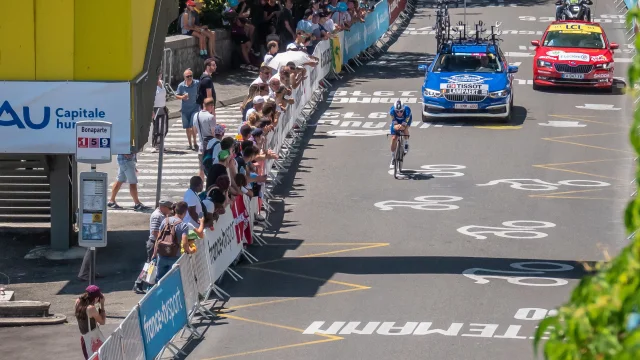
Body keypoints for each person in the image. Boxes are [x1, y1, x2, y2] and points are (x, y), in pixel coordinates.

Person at [152, 201, 203, 282]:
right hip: (175, 255)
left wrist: (154, 254)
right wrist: (190, 250)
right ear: (185, 212)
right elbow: (185, 243)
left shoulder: (165, 221)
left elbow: (158, 239)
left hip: (162, 255)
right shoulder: (183, 225)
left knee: (159, 280)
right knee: (171, 280)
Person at [75, 285, 106, 360]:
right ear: (96, 298)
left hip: (84, 338)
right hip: (93, 339)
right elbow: (102, 321)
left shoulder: (77, 302)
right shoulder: (91, 309)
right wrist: (102, 304)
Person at [176, 69, 200, 150]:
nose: (189, 78)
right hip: (185, 110)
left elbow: (202, 90)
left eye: (191, 76)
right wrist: (182, 97)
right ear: (184, 77)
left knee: (193, 126)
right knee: (187, 128)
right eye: (187, 76)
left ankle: (195, 142)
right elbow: (177, 95)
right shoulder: (181, 86)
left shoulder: (197, 83)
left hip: (195, 108)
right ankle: (190, 144)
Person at [389, 99, 412, 168]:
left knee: (404, 129)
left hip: (405, 119)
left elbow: (404, 124)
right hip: (397, 121)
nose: (399, 113)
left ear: (403, 109)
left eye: (401, 111)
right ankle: (393, 158)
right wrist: (396, 126)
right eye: (397, 111)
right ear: (395, 110)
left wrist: (402, 126)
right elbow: (394, 123)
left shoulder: (407, 111)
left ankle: (406, 143)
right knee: (394, 137)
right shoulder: (392, 112)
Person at [152, 75, 169, 152]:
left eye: (159, 74)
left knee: (165, 128)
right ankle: (156, 144)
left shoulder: (162, 83)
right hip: (156, 108)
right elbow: (149, 99)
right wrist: (151, 111)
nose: (158, 76)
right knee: (157, 127)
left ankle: (161, 143)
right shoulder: (151, 85)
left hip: (163, 108)